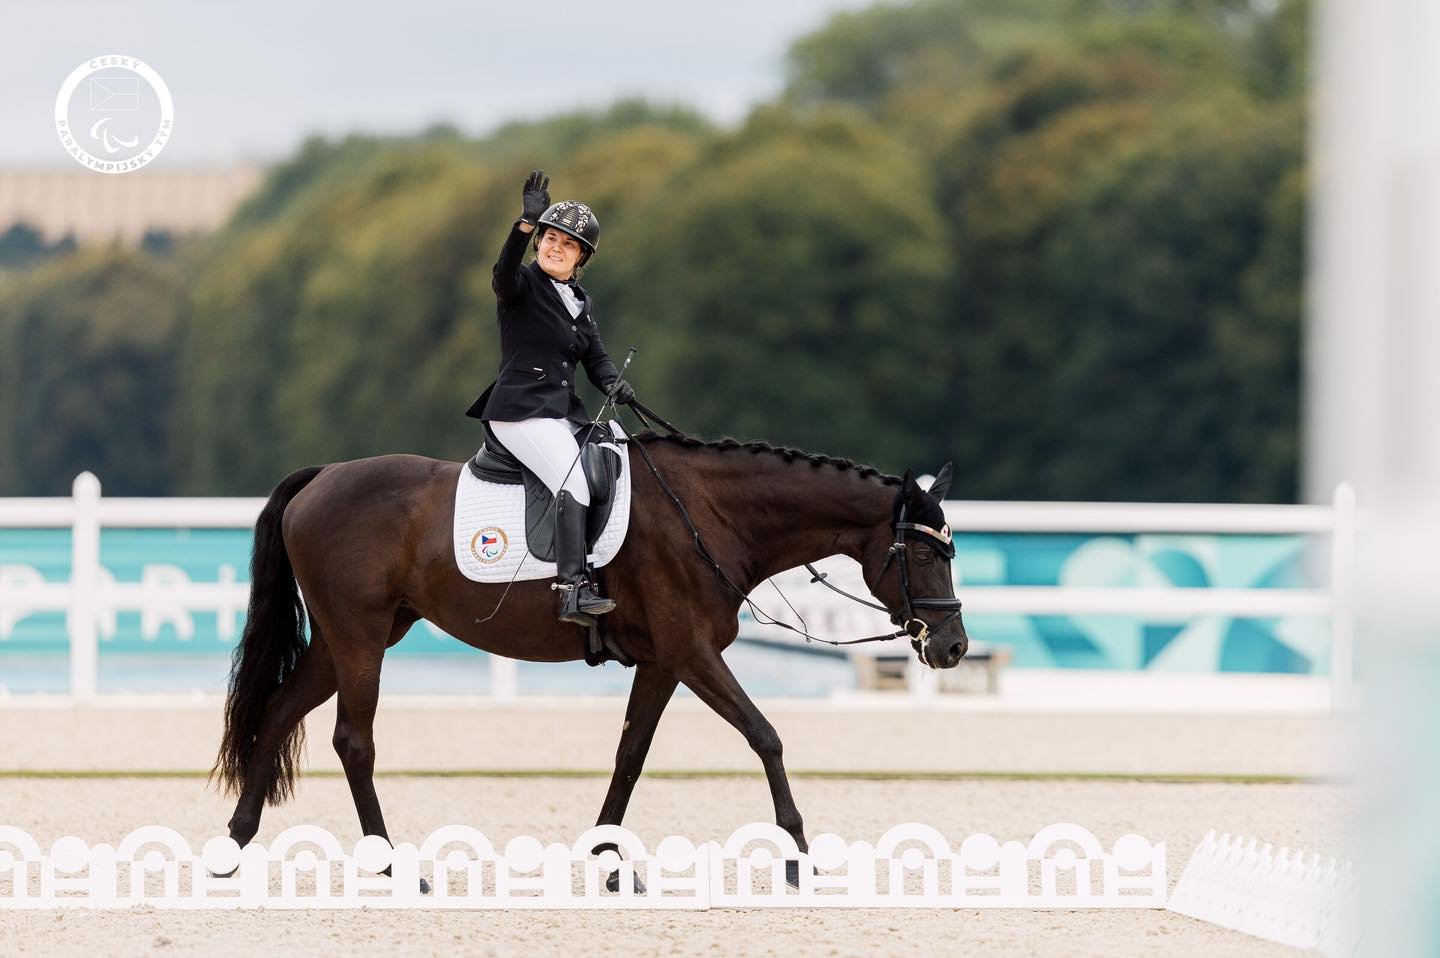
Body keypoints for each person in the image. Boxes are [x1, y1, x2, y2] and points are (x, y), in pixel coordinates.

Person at [465, 170, 634, 626]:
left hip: (558, 415)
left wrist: (614, 382)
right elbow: (502, 273)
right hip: (519, 412)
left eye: (568, 243)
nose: (555, 247)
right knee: (572, 480)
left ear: (581, 258)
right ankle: (572, 589)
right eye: (550, 238)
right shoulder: (520, 287)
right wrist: (524, 224)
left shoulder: (580, 301)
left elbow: (596, 359)